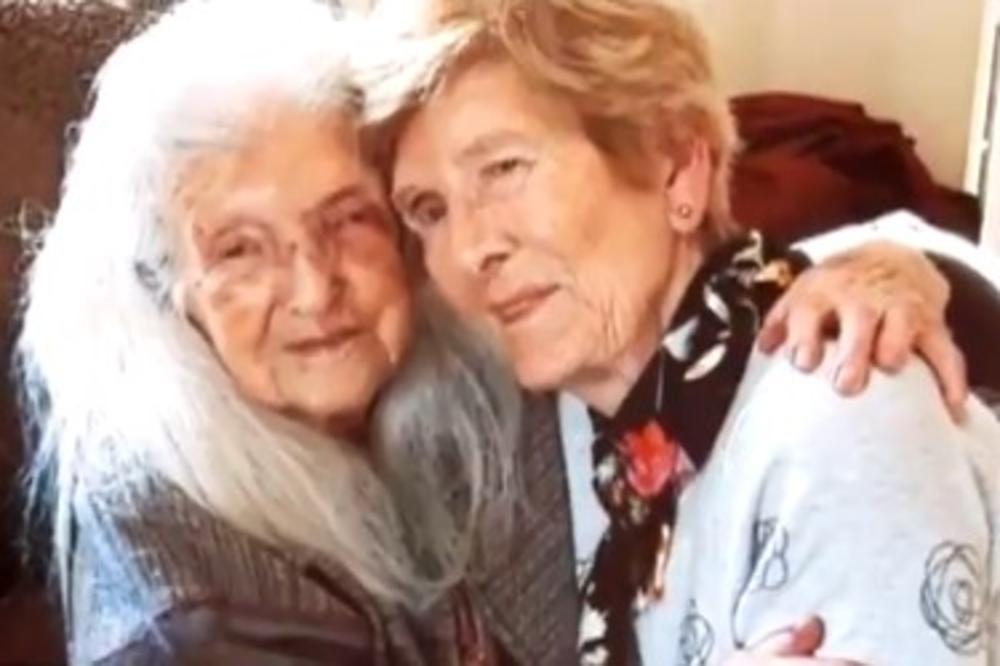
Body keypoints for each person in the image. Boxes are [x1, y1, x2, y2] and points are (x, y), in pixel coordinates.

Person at [369, 0, 1000, 663]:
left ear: (676, 166)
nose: (470, 249)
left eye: (504, 169)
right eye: (429, 210)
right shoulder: (540, 429)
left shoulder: (842, 421)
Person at [16, 1, 522, 663]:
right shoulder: (198, 621)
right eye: (241, 251)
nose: (315, 289)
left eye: (349, 219)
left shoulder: (470, 395)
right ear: (167, 295)